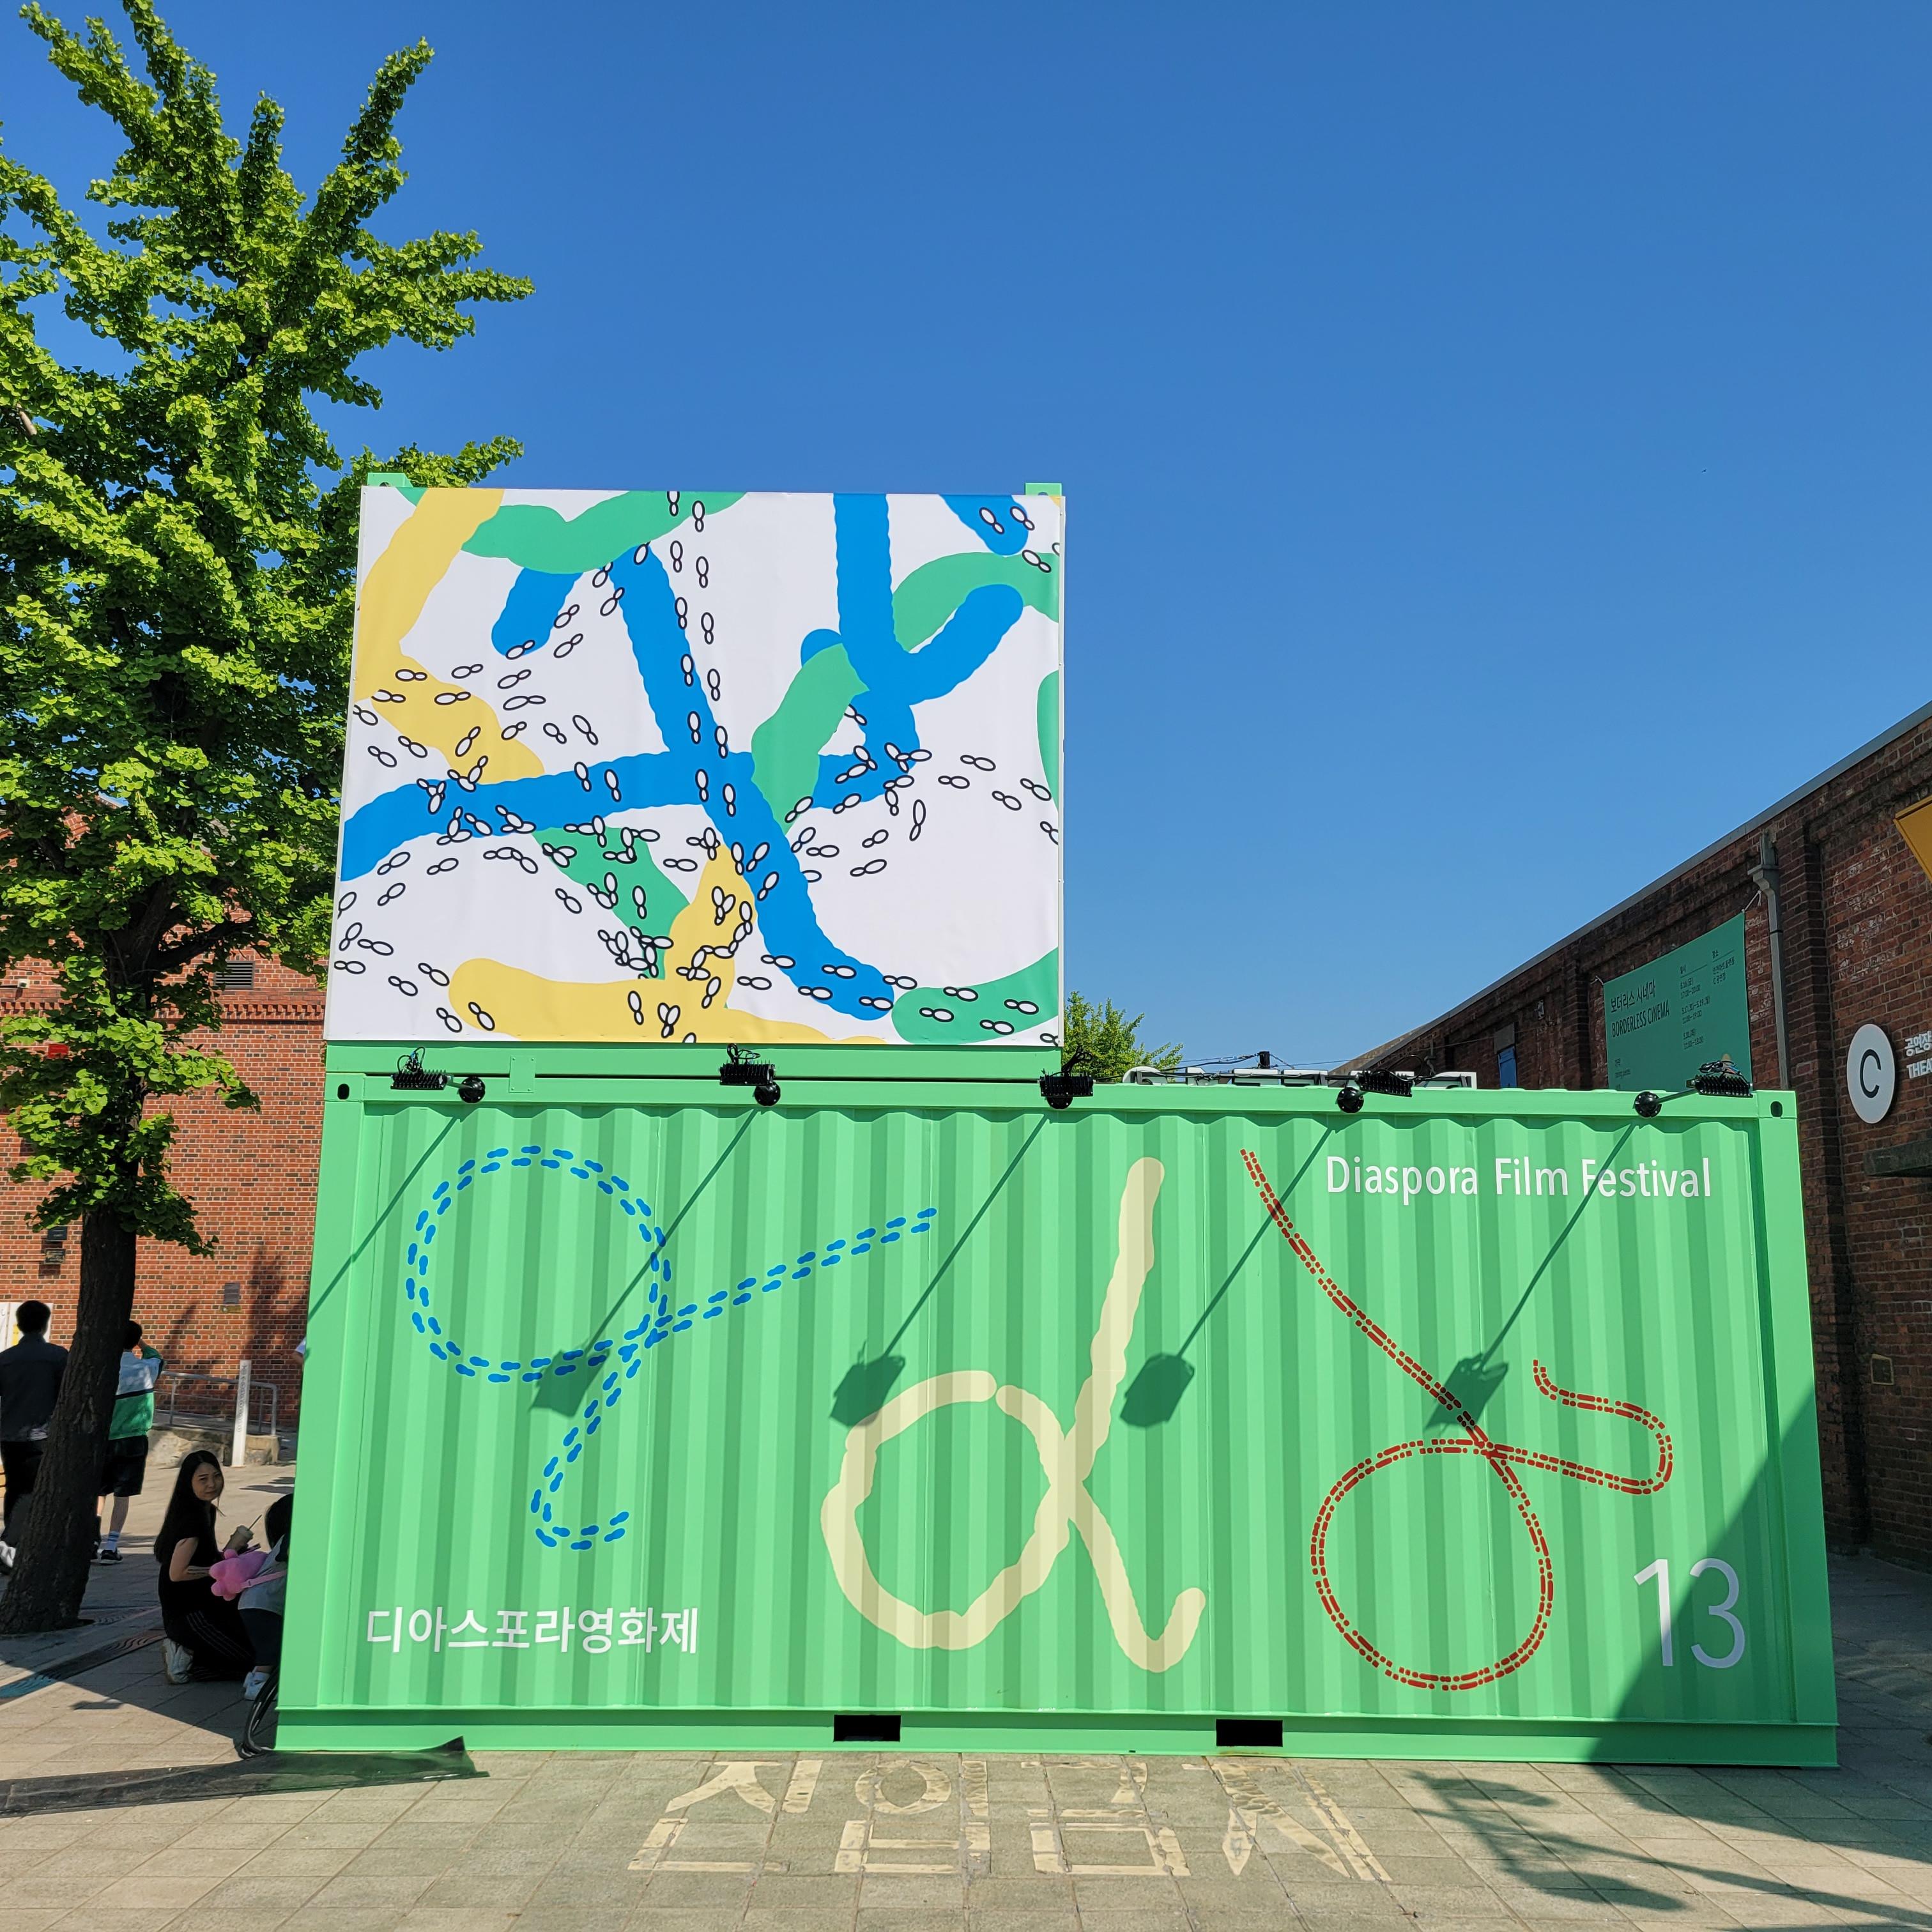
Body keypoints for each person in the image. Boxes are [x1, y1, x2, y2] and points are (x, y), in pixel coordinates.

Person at [155, 1449, 254, 1683]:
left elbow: (203, 1559)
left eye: (216, 1476)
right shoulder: (191, 1520)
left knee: (261, 1650)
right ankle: (186, 1657)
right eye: (203, 1479)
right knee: (254, 1664)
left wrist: (230, 1555)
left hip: (208, 1603)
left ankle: (195, 1653)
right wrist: (216, 1570)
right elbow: (177, 1573)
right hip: (189, 1614)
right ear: (188, 1483)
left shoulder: (206, 1510)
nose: (212, 1484)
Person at [0, 1300, 66, 1572]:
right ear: (45, 1325)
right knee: (34, 1490)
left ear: (19, 1324)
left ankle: (13, 1542)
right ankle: (11, 1543)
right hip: (43, 1434)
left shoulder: (5, 1358)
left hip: (9, 1434)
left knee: (15, 1488)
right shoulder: (58, 1356)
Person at [96, 1321, 162, 1563]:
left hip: (105, 1439)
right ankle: (111, 1546)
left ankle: (92, 1538)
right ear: (134, 1342)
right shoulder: (147, 1368)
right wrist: (139, 1342)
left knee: (99, 1492)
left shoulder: (104, 1370)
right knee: (122, 1495)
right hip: (134, 1439)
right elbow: (156, 1356)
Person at [236, 1493, 290, 1700]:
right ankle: (258, 1686)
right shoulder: (291, 1539)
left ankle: (253, 1680)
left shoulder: (281, 1540)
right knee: (270, 1650)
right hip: (263, 1604)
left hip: (255, 1602)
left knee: (268, 1646)